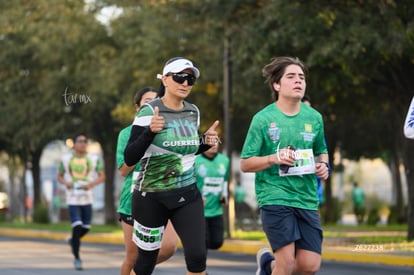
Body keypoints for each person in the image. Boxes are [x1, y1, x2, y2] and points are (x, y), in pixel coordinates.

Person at [124, 57, 219, 275]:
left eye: (190, 79)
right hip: (151, 197)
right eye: (180, 77)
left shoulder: (193, 111)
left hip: (186, 194)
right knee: (146, 262)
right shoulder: (148, 112)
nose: (186, 83)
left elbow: (186, 149)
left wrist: (205, 142)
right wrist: (150, 132)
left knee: (197, 256)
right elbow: (130, 157)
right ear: (165, 79)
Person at [240, 56, 329, 275]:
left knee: (309, 266)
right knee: (287, 263)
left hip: (306, 198)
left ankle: (267, 266)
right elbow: (245, 164)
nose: (298, 80)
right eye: (291, 77)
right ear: (276, 85)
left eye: (301, 77)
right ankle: (275, 265)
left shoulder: (314, 117)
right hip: (274, 196)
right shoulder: (262, 119)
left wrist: (324, 166)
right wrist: (273, 158)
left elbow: (322, 150)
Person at [116, 87, 178, 275]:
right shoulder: (127, 133)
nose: (153, 105)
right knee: (133, 256)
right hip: (133, 199)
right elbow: (124, 169)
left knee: (168, 247)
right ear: (138, 108)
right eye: (147, 101)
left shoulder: (169, 130)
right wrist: (145, 139)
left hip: (162, 195)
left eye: (156, 100)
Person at [57, 133, 106, 270]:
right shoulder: (66, 159)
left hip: (87, 197)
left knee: (86, 227)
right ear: (74, 143)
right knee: (77, 226)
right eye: (80, 141)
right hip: (72, 198)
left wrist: (91, 184)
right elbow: (59, 176)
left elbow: (102, 176)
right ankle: (77, 258)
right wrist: (66, 182)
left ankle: (73, 240)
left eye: (85, 141)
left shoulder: (94, 159)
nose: (83, 143)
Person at [195, 142, 230, 251]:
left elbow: (225, 180)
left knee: (217, 242)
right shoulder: (195, 160)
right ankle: (199, 265)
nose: (214, 144)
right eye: (210, 141)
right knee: (202, 243)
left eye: (217, 141)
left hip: (216, 209)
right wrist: (196, 196)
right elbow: (188, 181)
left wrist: (225, 195)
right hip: (200, 210)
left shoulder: (224, 161)